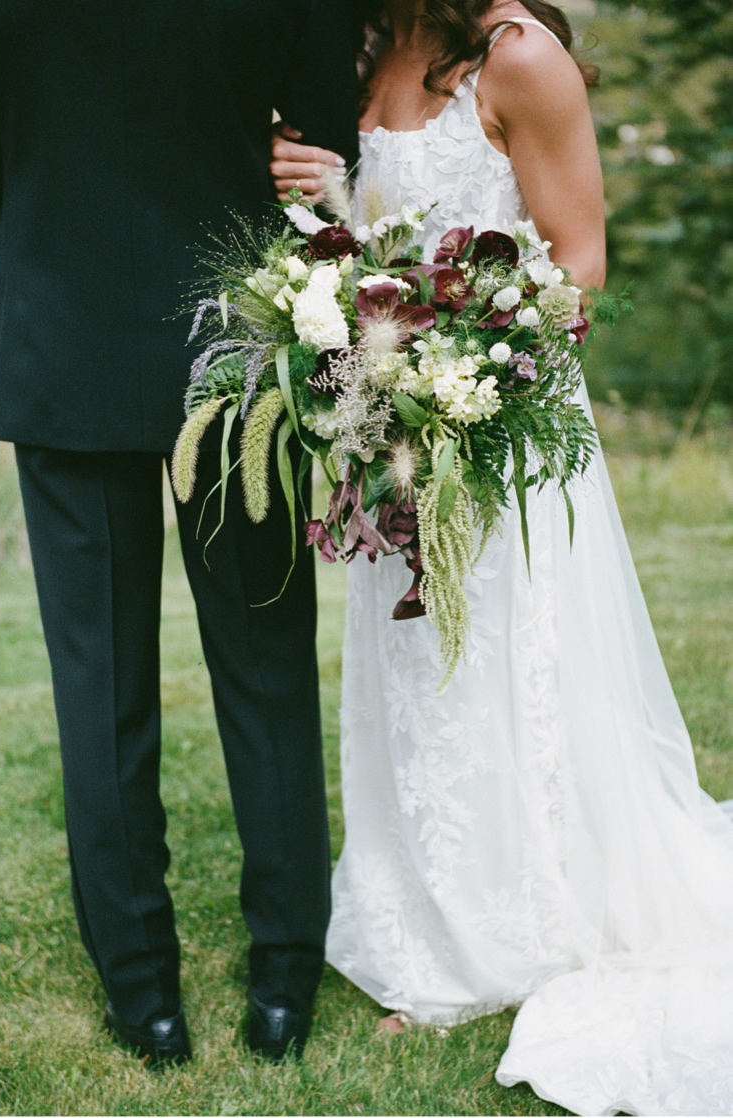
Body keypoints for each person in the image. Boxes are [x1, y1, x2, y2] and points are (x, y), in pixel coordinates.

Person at [270, 2, 733, 1112]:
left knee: (500, 668)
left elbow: (580, 264)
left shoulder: (518, 58)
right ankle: (420, 917)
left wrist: (457, 364)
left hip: (500, 429)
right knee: (416, 676)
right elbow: (363, 233)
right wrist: (311, 198)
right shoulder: (364, 49)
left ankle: (514, 929)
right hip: (390, 435)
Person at [0, 0, 361, 1065]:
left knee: (99, 690)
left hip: (63, 335)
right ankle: (286, 970)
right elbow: (324, 157)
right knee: (265, 671)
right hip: (235, 332)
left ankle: (141, 987)